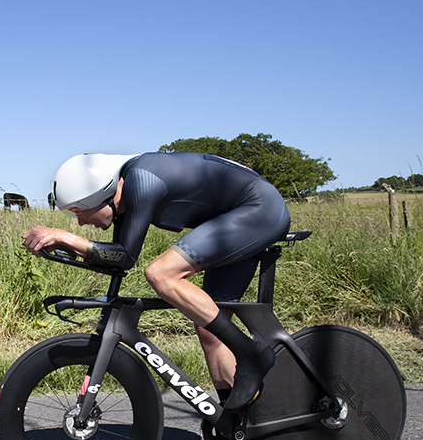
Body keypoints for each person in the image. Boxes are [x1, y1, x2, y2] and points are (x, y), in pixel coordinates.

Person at [22, 151, 290, 413]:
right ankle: (235, 426)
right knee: (209, 327)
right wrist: (68, 247)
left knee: (161, 273)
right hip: (235, 218)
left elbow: (125, 255)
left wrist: (67, 238)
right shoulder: (123, 198)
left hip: (259, 209)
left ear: (106, 196)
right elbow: (118, 259)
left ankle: (252, 355)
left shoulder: (141, 179)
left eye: (80, 212)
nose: (80, 223)